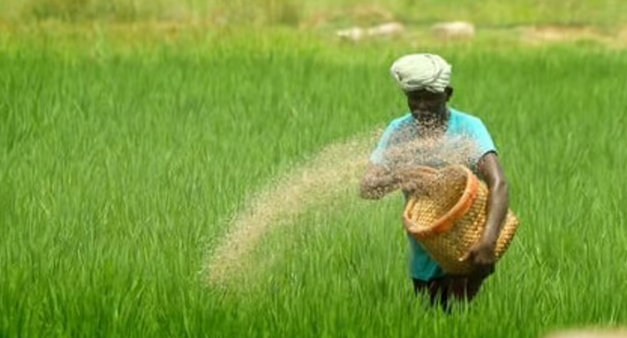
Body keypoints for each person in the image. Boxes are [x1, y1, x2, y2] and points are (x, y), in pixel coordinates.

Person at [359, 53, 510, 312]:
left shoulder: (468, 128)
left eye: (429, 97)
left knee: (463, 320)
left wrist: (488, 241)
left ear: (447, 94)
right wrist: (399, 177)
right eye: (414, 97)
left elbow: (499, 184)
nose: (421, 106)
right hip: (423, 251)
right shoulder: (399, 131)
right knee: (428, 320)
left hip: (467, 249)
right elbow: (367, 187)